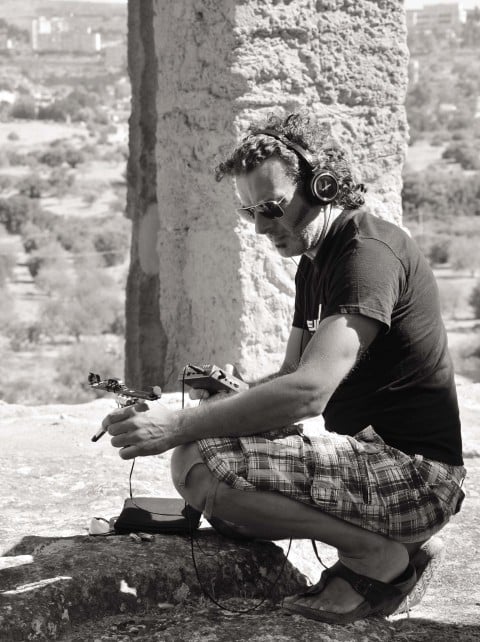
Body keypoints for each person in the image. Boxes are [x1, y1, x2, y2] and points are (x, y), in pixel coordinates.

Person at [101, 113, 466, 624]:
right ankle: (385, 545)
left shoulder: (367, 255)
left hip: (418, 480)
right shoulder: (314, 263)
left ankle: (378, 558)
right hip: (373, 459)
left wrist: (178, 424)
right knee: (205, 463)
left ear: (323, 185)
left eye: (271, 208)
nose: (259, 227)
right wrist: (229, 395)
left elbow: (309, 392)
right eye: (249, 210)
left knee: (202, 466)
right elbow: (291, 373)